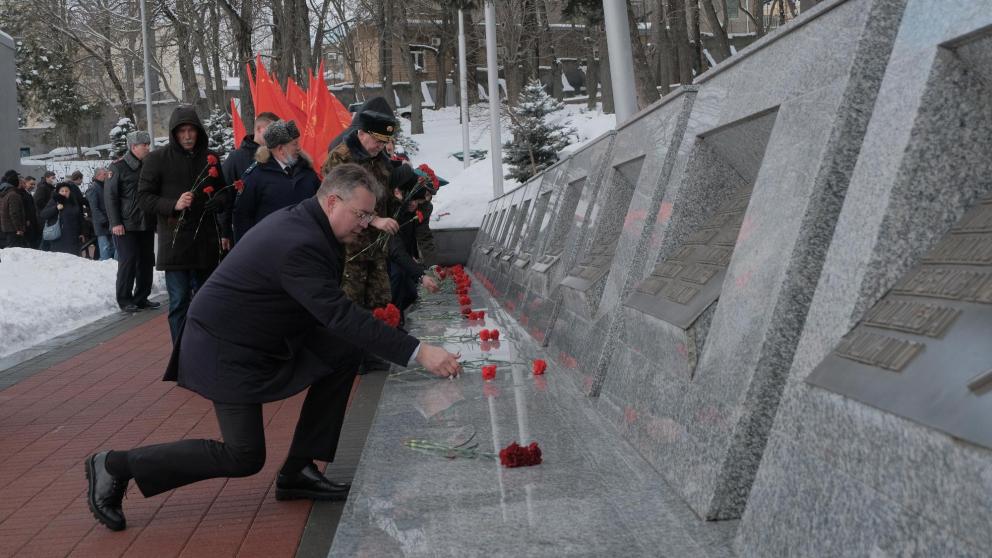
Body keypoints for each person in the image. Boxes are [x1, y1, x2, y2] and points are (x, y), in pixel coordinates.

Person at [84, 164, 462, 532]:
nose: (365, 223)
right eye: (361, 214)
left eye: (369, 215)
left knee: (344, 350)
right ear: (332, 201)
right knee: (243, 455)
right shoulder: (299, 241)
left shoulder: (311, 223)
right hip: (224, 345)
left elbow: (333, 314)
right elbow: (338, 315)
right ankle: (114, 465)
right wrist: (419, 352)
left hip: (262, 333)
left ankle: (299, 469)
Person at [138, 105, 230, 342]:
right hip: (175, 244)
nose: (187, 136)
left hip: (205, 243)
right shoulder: (157, 159)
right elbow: (144, 198)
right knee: (179, 301)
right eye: (182, 131)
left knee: (207, 301)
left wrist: (218, 201)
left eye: (192, 130)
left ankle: (204, 348)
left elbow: (224, 192)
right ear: (174, 133)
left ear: (198, 131)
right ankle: (180, 352)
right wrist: (173, 204)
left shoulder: (210, 158)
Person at [233, 120, 320, 240]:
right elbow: (242, 217)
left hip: (305, 242)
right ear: (280, 149)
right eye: (294, 144)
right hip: (270, 245)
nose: (299, 148)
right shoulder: (255, 176)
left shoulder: (307, 172)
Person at [106, 131, 158, 313]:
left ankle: (141, 297)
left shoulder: (149, 165)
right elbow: (110, 197)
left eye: (148, 144)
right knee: (128, 260)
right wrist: (115, 222)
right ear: (134, 147)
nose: (148, 148)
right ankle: (124, 298)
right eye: (144, 145)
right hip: (126, 224)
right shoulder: (118, 167)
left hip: (146, 221)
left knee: (146, 260)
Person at [39, 183, 85, 255]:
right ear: (58, 192)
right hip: (59, 237)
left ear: (70, 192)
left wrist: (81, 233)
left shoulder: (73, 201)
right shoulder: (54, 200)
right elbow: (43, 214)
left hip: (73, 237)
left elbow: (79, 218)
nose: (64, 193)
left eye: (66, 191)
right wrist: (56, 208)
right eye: (62, 191)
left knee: (73, 257)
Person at [86, 167, 115, 260]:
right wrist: (103, 220)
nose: (107, 176)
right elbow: (94, 208)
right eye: (104, 174)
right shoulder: (93, 188)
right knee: (105, 249)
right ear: (98, 175)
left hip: (109, 222)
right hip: (101, 224)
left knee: (112, 247)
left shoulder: (105, 185)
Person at [0, 170, 27, 248]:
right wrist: (19, 229)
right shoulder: (13, 195)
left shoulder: (5, 193)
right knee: (15, 251)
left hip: (6, 228)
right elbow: (14, 213)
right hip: (14, 230)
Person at [17, 175, 41, 249]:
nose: (33, 186)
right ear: (25, 183)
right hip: (28, 223)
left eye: (34, 184)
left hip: (32, 222)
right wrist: (27, 219)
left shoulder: (29, 194)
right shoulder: (22, 194)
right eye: (31, 184)